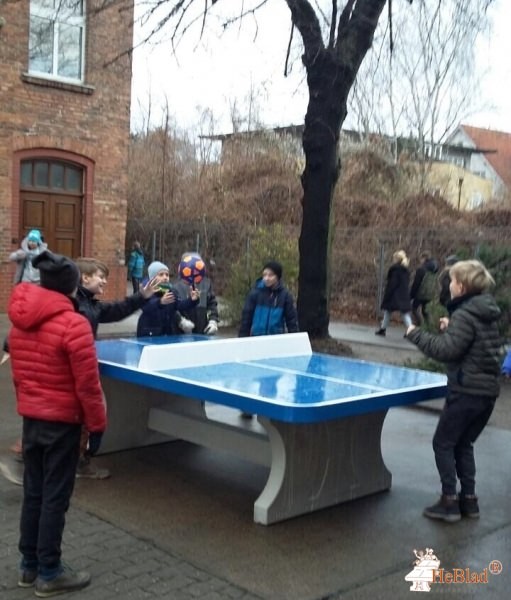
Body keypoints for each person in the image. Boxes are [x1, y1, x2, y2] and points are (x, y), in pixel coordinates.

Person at [0, 257, 159, 485]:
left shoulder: (91, 305)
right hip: (66, 375)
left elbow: (116, 309)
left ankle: (73, 462)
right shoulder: (75, 307)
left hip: (64, 376)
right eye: (100, 276)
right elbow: (35, 324)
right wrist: (9, 344)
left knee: (55, 422)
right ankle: (33, 461)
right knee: (64, 420)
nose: (105, 280)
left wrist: (140, 298)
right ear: (84, 278)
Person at [7, 250, 107, 596]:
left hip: (32, 421)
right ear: (69, 286)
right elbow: (88, 385)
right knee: (54, 498)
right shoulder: (74, 324)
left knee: (34, 493)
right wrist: (97, 426)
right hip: (63, 424)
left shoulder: (20, 323)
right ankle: (50, 571)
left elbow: (19, 375)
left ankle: (28, 566)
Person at [405, 259, 501, 523]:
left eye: (454, 281)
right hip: (486, 394)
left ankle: (449, 501)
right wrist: (451, 329)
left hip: (466, 392)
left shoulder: (466, 315)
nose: (450, 285)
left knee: (443, 443)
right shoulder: (485, 313)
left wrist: (415, 334)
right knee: (463, 444)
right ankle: (469, 501)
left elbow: (445, 351)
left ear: (463, 286)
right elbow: (473, 346)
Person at [238, 260, 298, 418]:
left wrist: (295, 341)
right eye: (264, 274)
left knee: (270, 377)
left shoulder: (285, 296)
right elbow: (246, 317)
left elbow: (291, 320)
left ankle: (267, 410)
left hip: (274, 343)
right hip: (255, 340)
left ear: (277, 277)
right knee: (250, 375)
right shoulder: (255, 294)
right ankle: (247, 407)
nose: (267, 278)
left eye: (270, 275)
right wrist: (242, 339)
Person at [137, 260, 200, 337]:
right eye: (161, 275)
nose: (165, 277)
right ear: (152, 278)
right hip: (149, 333)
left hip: (167, 333)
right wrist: (160, 302)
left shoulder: (171, 290)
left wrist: (192, 300)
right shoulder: (146, 290)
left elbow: (179, 305)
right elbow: (145, 307)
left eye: (167, 275)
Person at [173, 252, 219, 335]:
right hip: (182, 334)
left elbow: (211, 305)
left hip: (203, 331)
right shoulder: (176, 286)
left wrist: (213, 321)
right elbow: (173, 309)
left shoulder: (206, 284)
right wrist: (180, 321)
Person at [375, 249, 412, 336]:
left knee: (389, 312)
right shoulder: (405, 270)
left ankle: (383, 329)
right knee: (404, 313)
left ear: (396, 259)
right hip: (403, 294)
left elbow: (392, 284)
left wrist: (387, 294)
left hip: (394, 295)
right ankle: (410, 330)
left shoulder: (395, 270)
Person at [409, 251, 438, 325]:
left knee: (414, 308)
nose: (420, 261)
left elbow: (416, 284)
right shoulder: (434, 269)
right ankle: (429, 326)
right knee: (425, 311)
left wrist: (411, 295)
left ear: (424, 258)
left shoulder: (421, 269)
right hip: (430, 293)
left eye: (421, 259)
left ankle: (419, 325)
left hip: (420, 293)